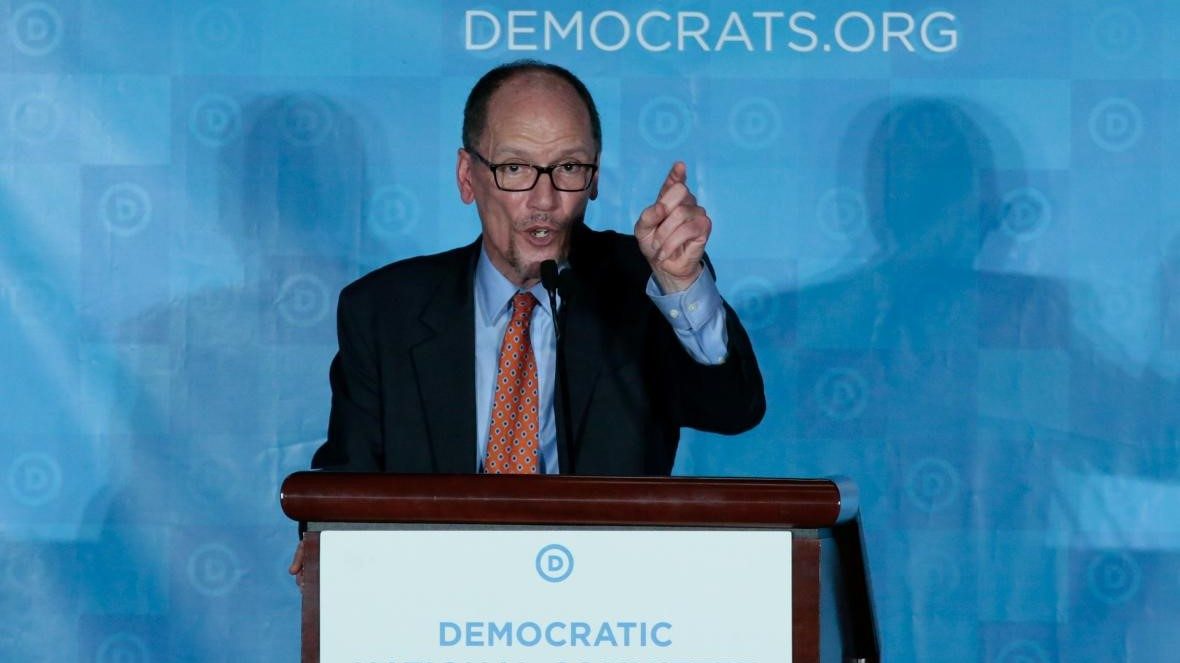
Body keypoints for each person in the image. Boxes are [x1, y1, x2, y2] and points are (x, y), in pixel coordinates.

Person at [290, 59, 764, 576]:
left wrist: (678, 283)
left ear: (595, 179)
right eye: (514, 168)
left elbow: (733, 408)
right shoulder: (384, 310)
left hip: (613, 607)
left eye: (568, 168)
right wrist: (326, 536)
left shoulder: (645, 283)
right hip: (436, 601)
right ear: (467, 176)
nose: (544, 201)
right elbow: (350, 478)